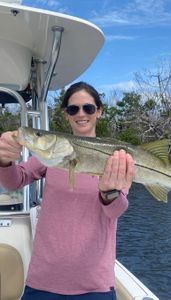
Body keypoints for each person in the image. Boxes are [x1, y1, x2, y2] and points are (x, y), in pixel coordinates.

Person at [0, 82, 135, 300]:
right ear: (66, 114)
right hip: (43, 279)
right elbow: (15, 181)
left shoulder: (117, 158)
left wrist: (109, 192)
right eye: (73, 109)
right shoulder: (52, 154)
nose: (81, 114)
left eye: (88, 108)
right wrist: (4, 161)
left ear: (99, 111)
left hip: (95, 283)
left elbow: (115, 211)